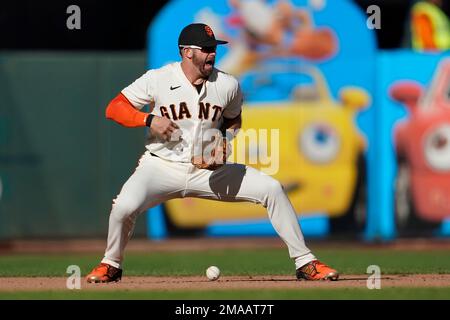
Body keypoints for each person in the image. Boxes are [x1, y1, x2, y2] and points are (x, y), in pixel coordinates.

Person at [85, 23, 338, 283]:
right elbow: (114, 108)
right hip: (161, 166)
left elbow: (234, 120)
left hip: (209, 171)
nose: (212, 54)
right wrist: (150, 120)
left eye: (214, 48)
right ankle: (111, 264)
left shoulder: (227, 84)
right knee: (123, 208)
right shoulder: (158, 79)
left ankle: (306, 263)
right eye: (206, 49)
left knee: (272, 189)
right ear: (186, 52)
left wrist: (225, 140)